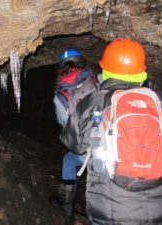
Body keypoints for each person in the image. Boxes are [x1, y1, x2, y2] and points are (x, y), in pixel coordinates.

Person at [60, 37, 162, 224]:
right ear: (142, 72)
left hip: (111, 209)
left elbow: (73, 143)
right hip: (161, 208)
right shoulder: (159, 101)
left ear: (106, 70)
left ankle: (65, 204)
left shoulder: (95, 101)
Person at [49, 49, 99, 216]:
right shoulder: (97, 79)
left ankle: (66, 205)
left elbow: (64, 123)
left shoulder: (61, 95)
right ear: (81, 63)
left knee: (69, 160)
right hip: (110, 143)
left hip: (87, 149)